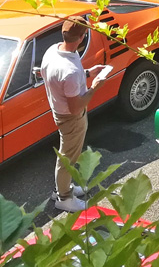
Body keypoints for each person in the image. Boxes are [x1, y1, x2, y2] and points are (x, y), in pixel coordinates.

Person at [39, 18, 110, 211]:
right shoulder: (69, 71)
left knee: (67, 156)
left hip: (59, 110)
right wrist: (94, 87)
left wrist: (87, 73)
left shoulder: (53, 51)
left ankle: (63, 188)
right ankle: (64, 198)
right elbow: (76, 107)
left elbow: (58, 78)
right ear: (81, 37)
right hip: (71, 119)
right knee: (67, 159)